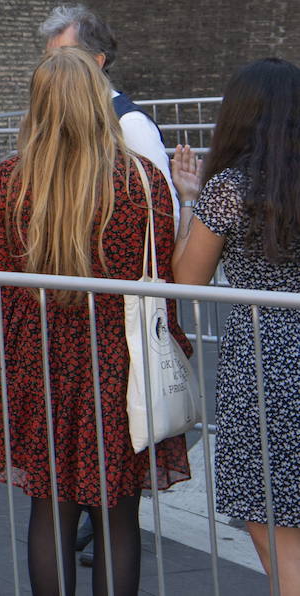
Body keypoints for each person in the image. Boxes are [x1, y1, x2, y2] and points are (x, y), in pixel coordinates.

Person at [0, 47, 190, 595]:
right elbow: (160, 270)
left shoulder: (10, 181)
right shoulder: (140, 180)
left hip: (39, 359)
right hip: (116, 364)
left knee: (49, 514)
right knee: (117, 520)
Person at [171, 58, 300, 592]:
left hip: (264, 358)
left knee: (272, 515)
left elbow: (186, 279)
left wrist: (189, 200)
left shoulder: (231, 187)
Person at [40, 4, 178, 220]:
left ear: (97, 61)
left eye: (66, 55)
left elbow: (163, 209)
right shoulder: (50, 117)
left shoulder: (130, 123)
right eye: (50, 58)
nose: (55, 66)